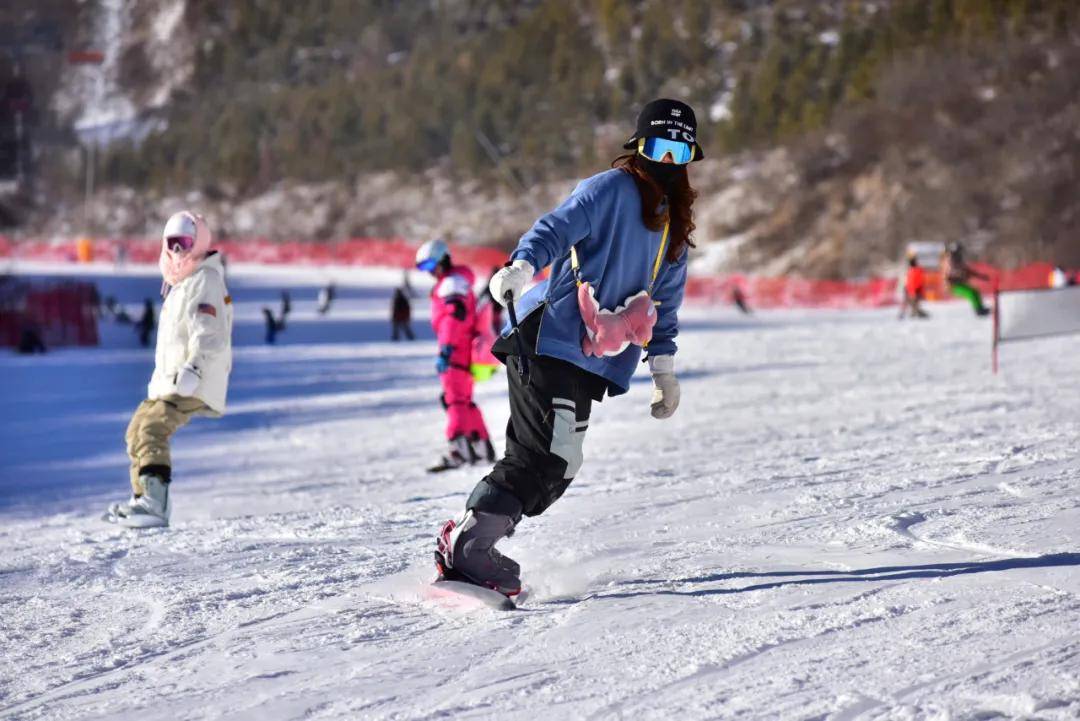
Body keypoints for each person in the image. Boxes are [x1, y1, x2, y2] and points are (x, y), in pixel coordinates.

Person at [433, 98, 699, 596]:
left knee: (560, 462)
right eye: (660, 148)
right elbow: (555, 228)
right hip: (548, 337)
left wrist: (662, 366)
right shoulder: (609, 189)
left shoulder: (674, 225)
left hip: (590, 359)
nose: (667, 162)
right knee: (548, 456)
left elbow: (664, 299)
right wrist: (521, 267)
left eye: (678, 152)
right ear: (640, 147)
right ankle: (470, 547)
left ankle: (471, 540)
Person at [105, 211, 233, 528]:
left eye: (185, 243)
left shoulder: (206, 279)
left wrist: (194, 367)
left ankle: (155, 503)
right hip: (171, 380)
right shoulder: (182, 283)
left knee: (152, 428)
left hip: (193, 379)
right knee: (138, 428)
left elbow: (210, 332)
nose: (178, 251)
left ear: (199, 243)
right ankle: (143, 497)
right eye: (172, 243)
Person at [414, 238, 495, 471]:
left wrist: (447, 348)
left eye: (430, 266)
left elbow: (454, 316)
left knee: (454, 400)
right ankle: (481, 447)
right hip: (462, 348)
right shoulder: (457, 281)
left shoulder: (451, 284)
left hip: (456, 350)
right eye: (423, 269)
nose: (429, 273)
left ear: (442, 260)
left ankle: (459, 450)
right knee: (463, 399)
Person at [941, 243, 990, 316]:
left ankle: (980, 308)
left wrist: (981, 276)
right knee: (970, 293)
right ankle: (978, 310)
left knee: (975, 291)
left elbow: (968, 271)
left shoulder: (959, 263)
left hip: (960, 284)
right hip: (953, 286)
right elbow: (947, 273)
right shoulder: (949, 262)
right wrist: (947, 284)